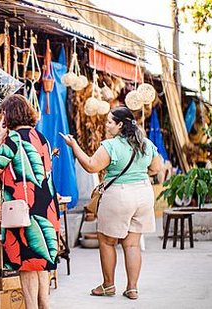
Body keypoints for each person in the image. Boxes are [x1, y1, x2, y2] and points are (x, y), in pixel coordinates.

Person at [62, 106, 162, 300]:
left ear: (120, 125)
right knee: (132, 244)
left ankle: (108, 285)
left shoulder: (111, 145)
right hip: (143, 193)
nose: (106, 125)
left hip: (119, 195)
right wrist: (138, 173)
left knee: (107, 241)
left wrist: (74, 146)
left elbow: (91, 166)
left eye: (109, 122)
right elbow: (156, 167)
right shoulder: (146, 143)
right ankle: (132, 288)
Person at [0, 94, 59, 309]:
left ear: (8, 116)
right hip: (46, 204)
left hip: (23, 207)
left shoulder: (12, 140)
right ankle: (44, 304)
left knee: (27, 262)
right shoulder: (42, 138)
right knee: (40, 259)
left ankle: (31, 306)